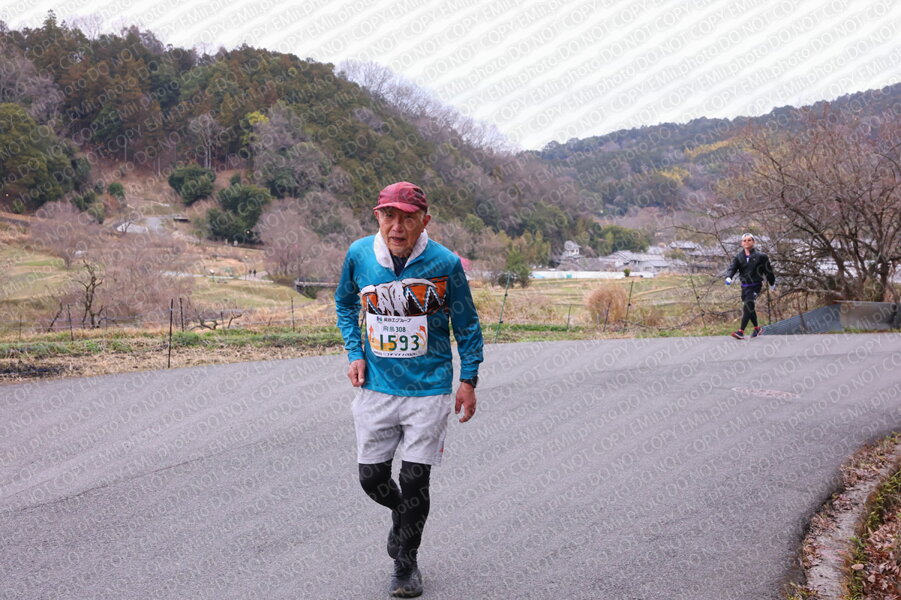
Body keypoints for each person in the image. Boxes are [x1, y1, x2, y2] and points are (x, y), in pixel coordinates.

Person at [335, 181, 484, 597]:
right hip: (376, 387)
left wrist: (468, 379)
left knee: (416, 481)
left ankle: (406, 563)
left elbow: (467, 325)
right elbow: (344, 303)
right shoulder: (359, 255)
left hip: (429, 388)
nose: (397, 227)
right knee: (372, 479)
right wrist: (354, 352)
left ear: (425, 220)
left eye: (407, 218)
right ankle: (402, 516)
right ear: (377, 216)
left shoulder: (445, 263)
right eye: (389, 216)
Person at [724, 233, 776, 339]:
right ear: (741, 243)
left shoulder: (761, 256)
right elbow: (732, 268)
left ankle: (740, 331)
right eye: (744, 240)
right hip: (745, 286)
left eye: (749, 240)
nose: (747, 242)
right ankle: (757, 328)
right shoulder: (739, 257)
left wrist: (772, 282)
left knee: (748, 305)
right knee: (750, 307)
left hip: (755, 285)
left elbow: (768, 271)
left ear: (753, 242)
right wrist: (729, 277)